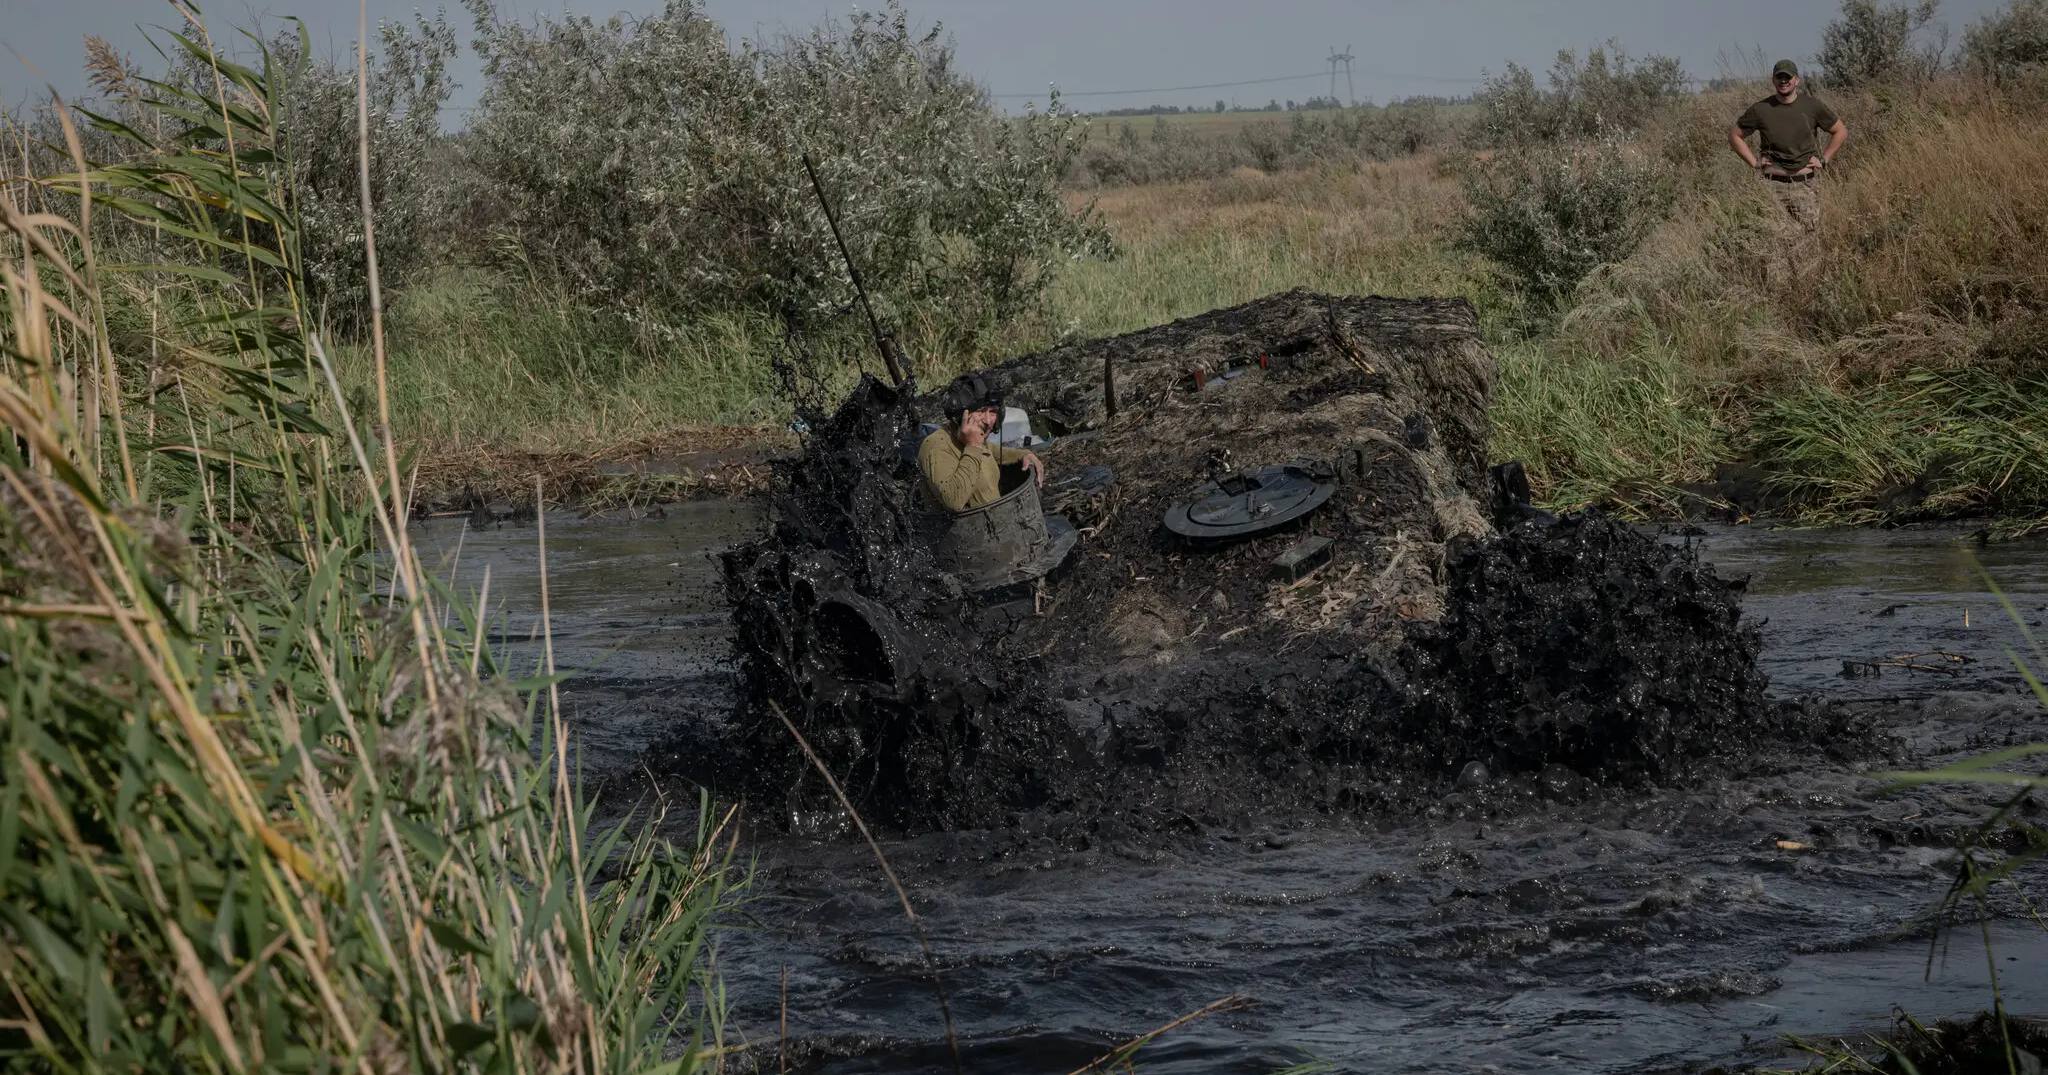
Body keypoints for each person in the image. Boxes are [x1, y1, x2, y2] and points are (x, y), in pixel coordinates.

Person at [1728, 59, 1849, 235]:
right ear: (1773, 80)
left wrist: (1824, 159)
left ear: (1796, 80)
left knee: (1809, 239)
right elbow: (1734, 136)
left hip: (1805, 186)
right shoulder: (1761, 109)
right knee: (1772, 240)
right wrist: (1754, 162)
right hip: (1772, 187)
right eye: (1779, 77)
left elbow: (1840, 131)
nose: (1783, 81)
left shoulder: (1812, 106)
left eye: (1787, 77)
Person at [918, 373, 1045, 512]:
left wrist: (1023, 454)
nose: (988, 420)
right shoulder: (936, 446)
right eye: (981, 411)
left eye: (993, 412)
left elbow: (990, 450)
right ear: (962, 415)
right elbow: (953, 501)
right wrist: (973, 446)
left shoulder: (976, 439)